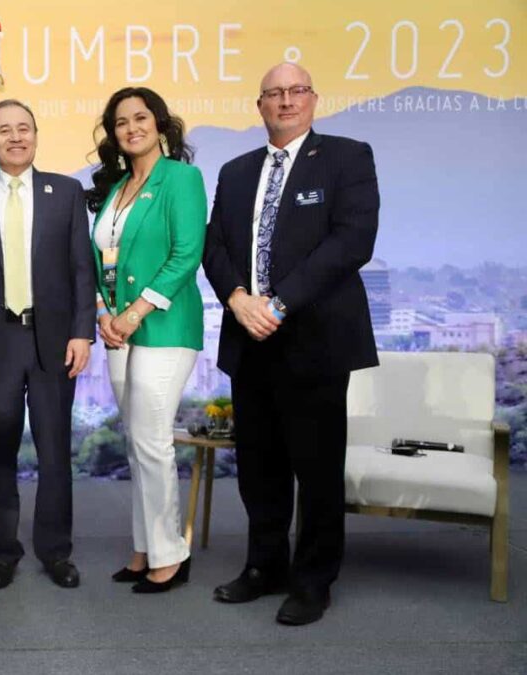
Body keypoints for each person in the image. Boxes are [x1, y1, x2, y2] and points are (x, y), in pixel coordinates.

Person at [202, 63, 380, 625]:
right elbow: (216, 245)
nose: (285, 101)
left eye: (296, 91)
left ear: (313, 99)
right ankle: (264, 567)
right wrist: (237, 298)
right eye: (274, 93)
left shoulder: (349, 157)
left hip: (317, 338)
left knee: (318, 468)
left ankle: (313, 580)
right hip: (249, 337)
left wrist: (278, 303)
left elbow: (352, 241)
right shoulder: (234, 171)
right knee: (259, 466)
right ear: (259, 105)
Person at [0, 99, 96, 590]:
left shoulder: (67, 193)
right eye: (4, 131)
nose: (15, 137)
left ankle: (56, 552)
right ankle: (3, 551)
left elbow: (81, 269)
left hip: (53, 342)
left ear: (36, 135)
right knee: (2, 452)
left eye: (24, 129)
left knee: (55, 453)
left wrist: (82, 331)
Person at [86, 87, 206, 593]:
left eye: (141, 118)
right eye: (120, 122)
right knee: (138, 446)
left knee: (153, 443)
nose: (131, 127)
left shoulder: (182, 179)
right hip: (117, 329)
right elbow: (100, 261)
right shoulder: (114, 188)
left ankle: (170, 555)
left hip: (164, 326)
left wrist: (132, 314)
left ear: (161, 124)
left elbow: (186, 254)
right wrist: (102, 311)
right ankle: (143, 549)